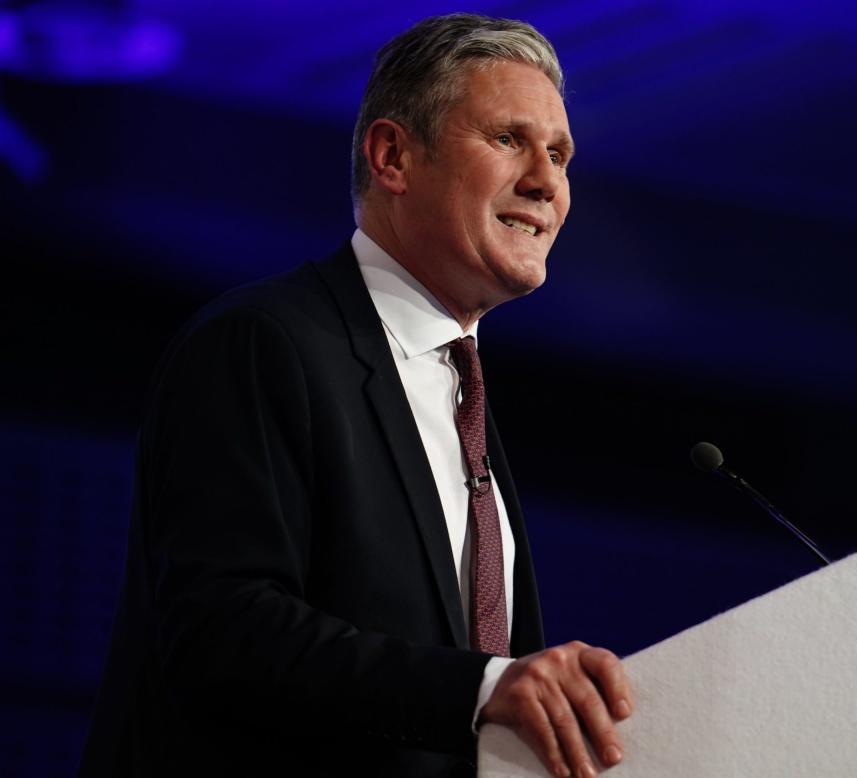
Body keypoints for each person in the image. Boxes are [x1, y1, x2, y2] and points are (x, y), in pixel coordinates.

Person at [78, 13, 632, 778]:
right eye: (508, 139)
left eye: (560, 154)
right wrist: (482, 690)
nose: (546, 180)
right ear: (393, 155)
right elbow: (221, 628)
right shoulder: (263, 343)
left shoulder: (459, 393)